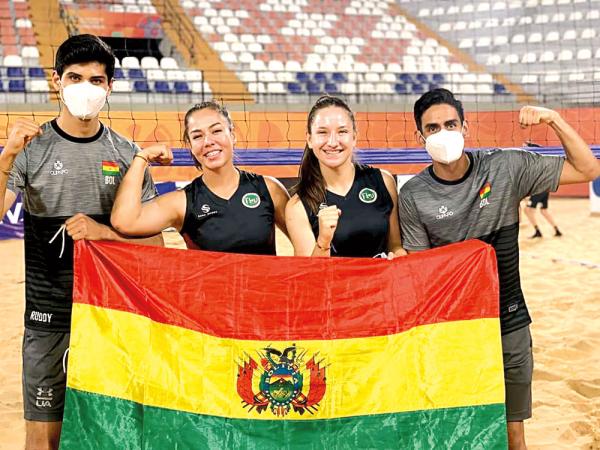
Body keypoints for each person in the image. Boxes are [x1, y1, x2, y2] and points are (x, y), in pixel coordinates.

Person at [398, 88, 600, 450]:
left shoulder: (505, 167)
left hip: (508, 320)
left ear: (465, 127)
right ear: (420, 136)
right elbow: (421, 274)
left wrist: (553, 118)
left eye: (450, 124)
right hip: (456, 330)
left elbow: (589, 168)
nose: (443, 133)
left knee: (513, 434)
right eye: (432, 128)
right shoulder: (414, 195)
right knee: (460, 429)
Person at [0, 35, 162, 450]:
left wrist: (105, 232)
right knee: (43, 434)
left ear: (109, 88)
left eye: (96, 80)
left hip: (112, 315)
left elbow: (156, 245)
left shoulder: (128, 154)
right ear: (56, 81)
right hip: (48, 315)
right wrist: (4, 160)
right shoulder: (30, 150)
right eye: (75, 77)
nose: (85, 88)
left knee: (112, 432)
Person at [111, 100, 290, 254]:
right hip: (210, 294)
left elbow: (305, 247)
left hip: (264, 293)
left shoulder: (269, 189)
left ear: (232, 135)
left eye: (217, 131)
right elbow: (125, 221)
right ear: (189, 145)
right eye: (197, 136)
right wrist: (142, 159)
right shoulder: (182, 202)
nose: (208, 141)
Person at [285, 95, 405, 258]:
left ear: (354, 137)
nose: (333, 142)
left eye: (342, 132)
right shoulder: (298, 207)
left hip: (381, 283)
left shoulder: (383, 181)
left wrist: (398, 256)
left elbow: (396, 245)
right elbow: (309, 276)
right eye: (322, 132)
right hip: (334, 284)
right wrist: (324, 241)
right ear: (309, 139)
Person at [523, 143, 563, 239]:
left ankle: (538, 231)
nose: (523, 150)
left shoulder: (533, 163)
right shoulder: (541, 161)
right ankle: (557, 230)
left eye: (525, 148)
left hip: (540, 189)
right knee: (543, 210)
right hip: (545, 188)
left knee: (527, 210)